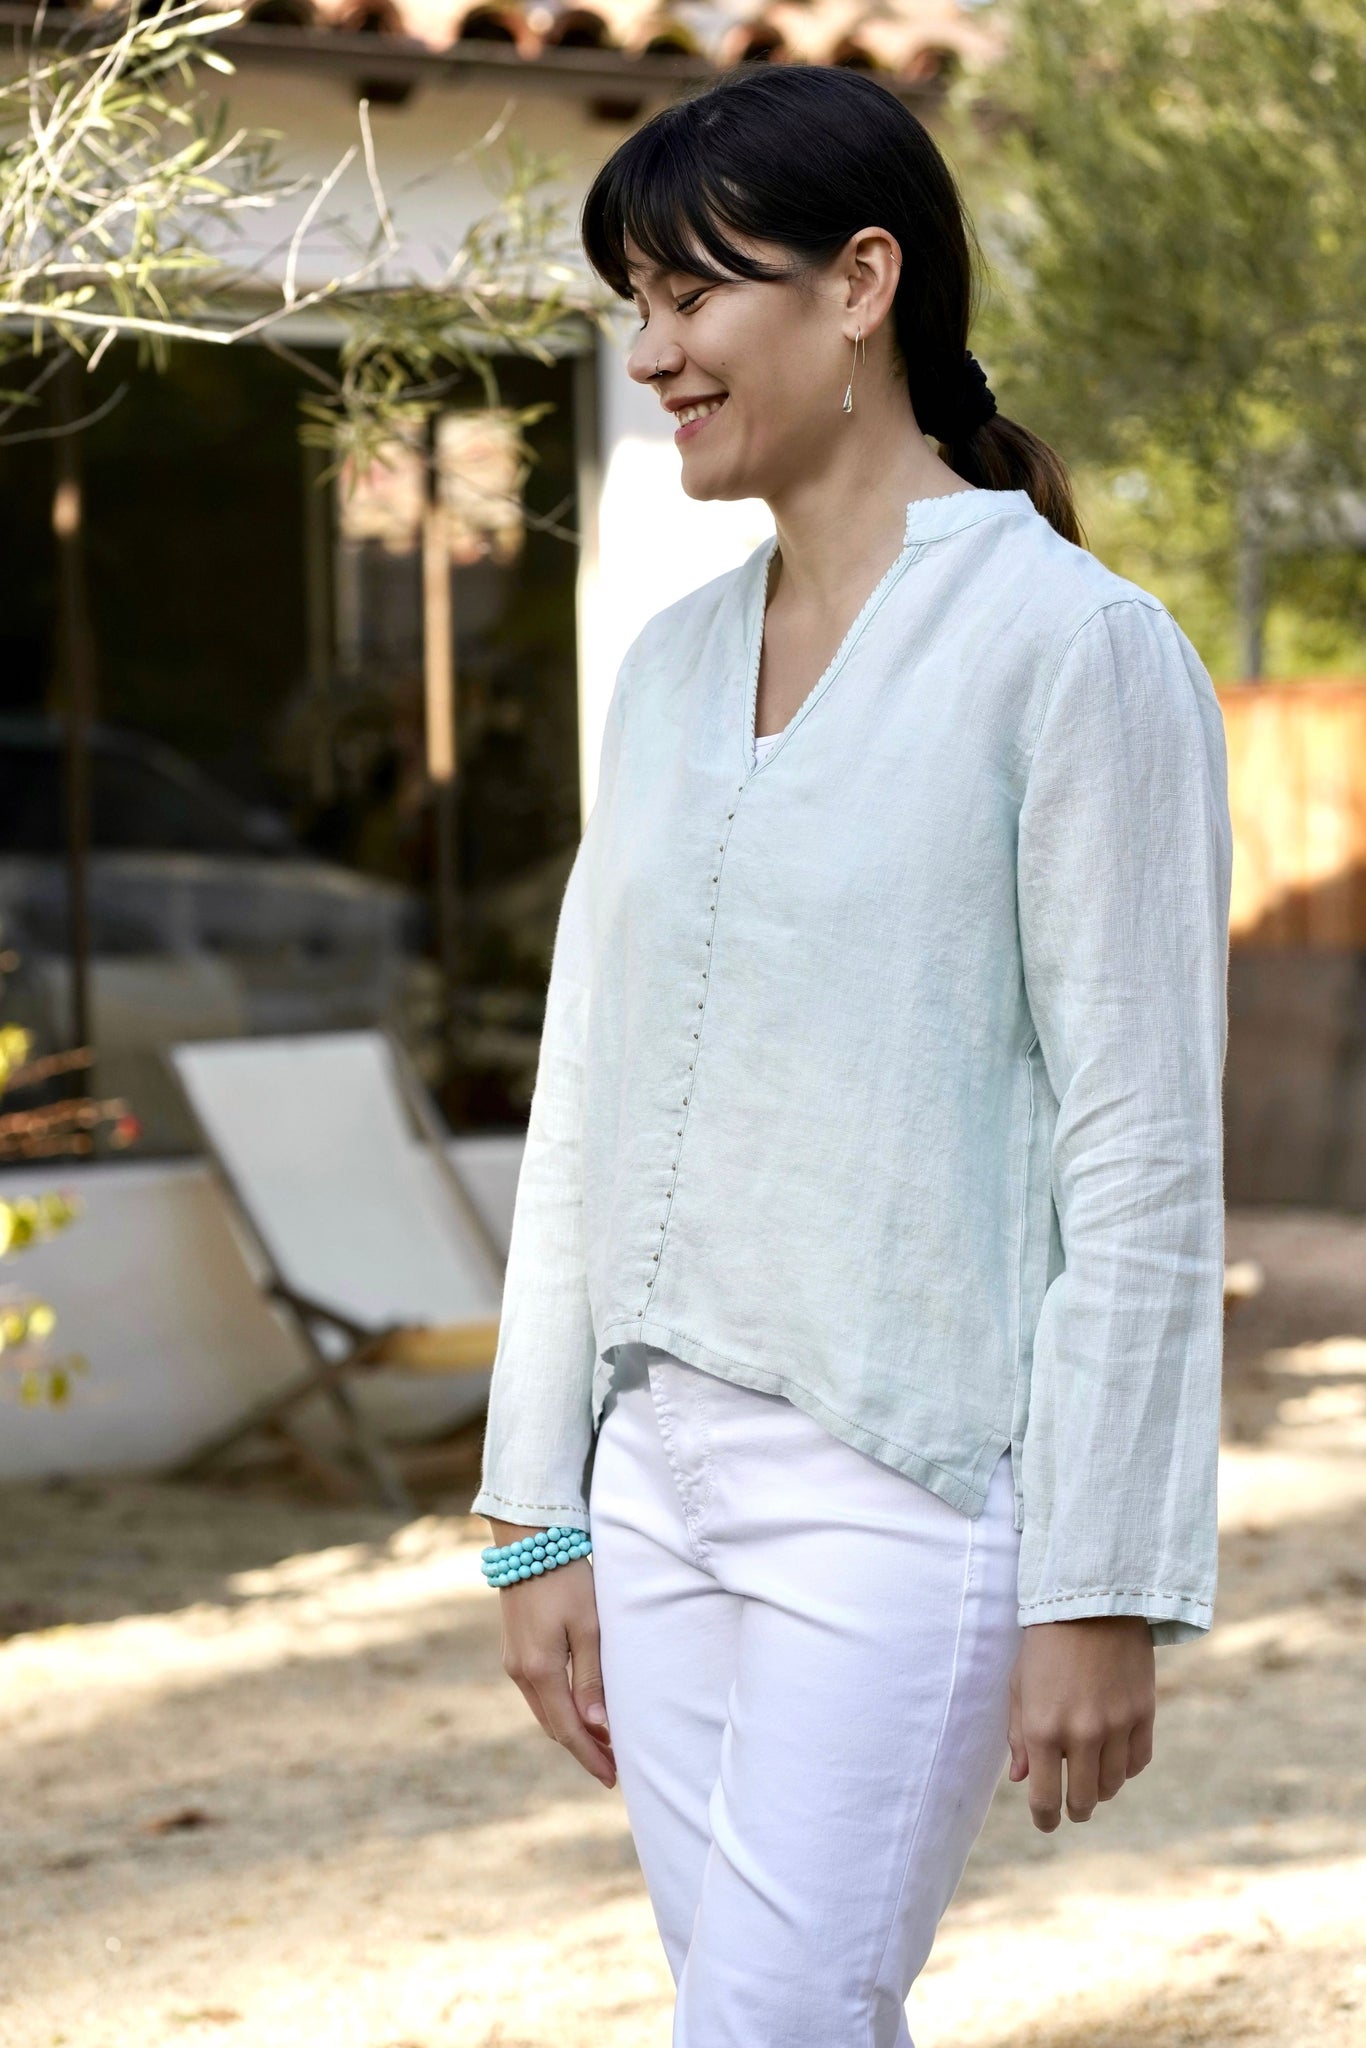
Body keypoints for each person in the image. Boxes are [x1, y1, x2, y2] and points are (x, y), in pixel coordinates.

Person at [471, 62, 1232, 2047]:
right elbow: (584, 1095)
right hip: (650, 1481)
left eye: (690, 295)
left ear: (861, 284)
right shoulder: (662, 666)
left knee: (770, 2022)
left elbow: (1139, 1145)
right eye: (632, 306)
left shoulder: (1075, 651)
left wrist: (1100, 1579)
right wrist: (537, 1509)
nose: (650, 353)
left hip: (903, 1482)